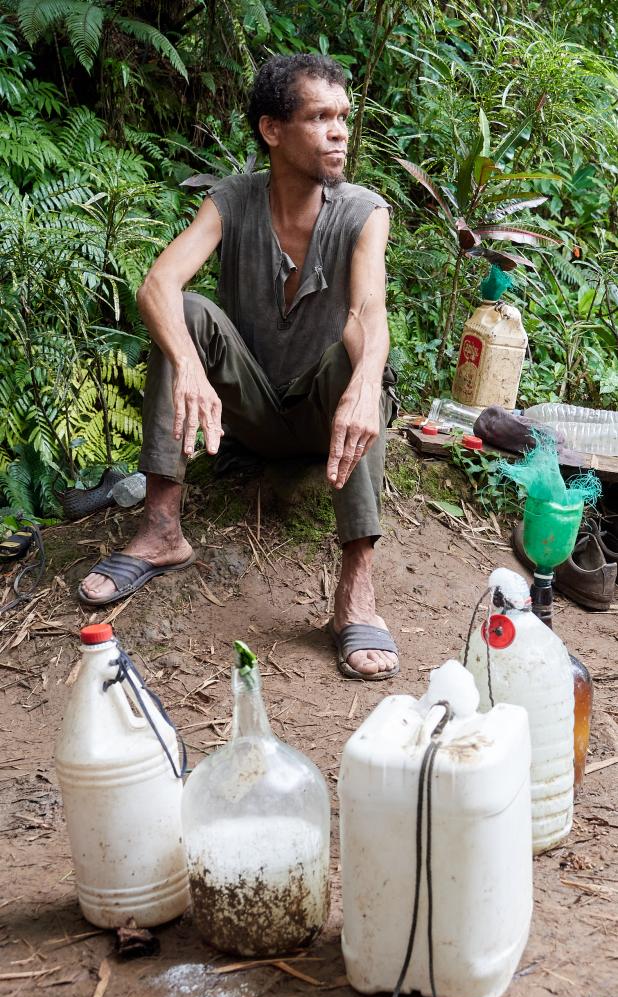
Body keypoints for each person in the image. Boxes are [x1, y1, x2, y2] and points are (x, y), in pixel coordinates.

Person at [79, 53, 399, 682]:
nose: (339, 131)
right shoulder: (233, 200)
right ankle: (162, 531)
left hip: (323, 417)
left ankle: (356, 590)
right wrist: (191, 369)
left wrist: (366, 385)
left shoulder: (364, 211)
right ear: (271, 130)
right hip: (249, 415)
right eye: (319, 117)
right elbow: (158, 285)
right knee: (188, 310)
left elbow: (366, 310)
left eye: (343, 117)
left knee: (353, 359)